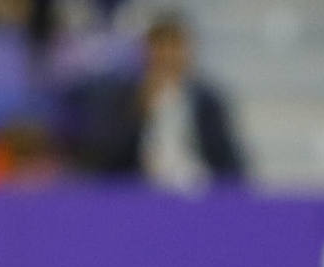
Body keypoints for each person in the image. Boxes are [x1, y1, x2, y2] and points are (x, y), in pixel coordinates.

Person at [76, 10, 246, 190]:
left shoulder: (207, 100)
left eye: (175, 46)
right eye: (160, 46)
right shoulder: (120, 97)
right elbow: (103, 162)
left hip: (198, 193)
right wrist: (138, 111)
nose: (167, 56)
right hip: (139, 195)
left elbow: (230, 162)